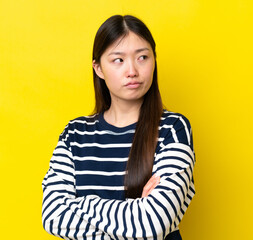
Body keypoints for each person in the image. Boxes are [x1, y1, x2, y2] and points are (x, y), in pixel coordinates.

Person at [42, 15, 196, 240]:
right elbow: (53, 216)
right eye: (118, 60)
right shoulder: (74, 135)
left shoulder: (173, 129)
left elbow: (152, 223)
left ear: (154, 60)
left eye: (142, 57)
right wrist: (137, 209)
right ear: (99, 69)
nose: (132, 70)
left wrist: (77, 205)